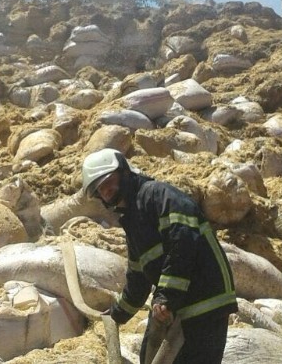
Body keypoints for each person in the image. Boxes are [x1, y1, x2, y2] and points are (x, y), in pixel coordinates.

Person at [81, 148, 237, 363]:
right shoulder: (133, 220)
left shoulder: (159, 196)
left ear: (125, 172)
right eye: (100, 188)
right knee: (148, 357)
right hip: (176, 306)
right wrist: (117, 314)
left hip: (205, 303)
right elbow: (138, 278)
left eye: (109, 182)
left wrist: (166, 298)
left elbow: (182, 243)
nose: (106, 191)